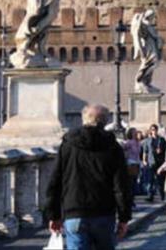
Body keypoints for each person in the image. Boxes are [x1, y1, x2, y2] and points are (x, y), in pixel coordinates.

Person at [45, 104, 132, 249]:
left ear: (83, 119)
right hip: (104, 213)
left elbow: (55, 181)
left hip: (74, 211)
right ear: (105, 122)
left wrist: (54, 215)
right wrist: (124, 218)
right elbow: (121, 185)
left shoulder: (68, 145)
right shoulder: (113, 147)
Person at [141, 124, 166, 202]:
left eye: (155, 129)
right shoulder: (147, 141)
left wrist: (161, 150)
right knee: (150, 180)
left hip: (160, 162)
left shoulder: (161, 140)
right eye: (152, 129)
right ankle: (150, 196)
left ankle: (162, 195)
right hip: (151, 161)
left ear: (157, 130)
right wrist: (144, 160)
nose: (154, 131)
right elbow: (145, 151)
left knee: (160, 180)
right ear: (150, 131)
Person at [121, 128, 141, 208]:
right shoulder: (129, 142)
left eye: (136, 132)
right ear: (131, 134)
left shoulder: (137, 142)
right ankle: (129, 200)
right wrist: (126, 153)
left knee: (134, 183)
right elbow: (121, 147)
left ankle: (132, 200)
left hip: (137, 163)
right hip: (131, 163)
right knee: (131, 183)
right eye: (134, 132)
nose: (136, 134)